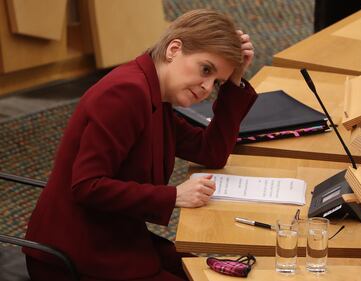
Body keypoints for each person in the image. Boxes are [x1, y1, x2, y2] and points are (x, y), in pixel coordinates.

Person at [23, 9, 257, 281]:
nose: (207, 87)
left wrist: (235, 81)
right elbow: (86, 186)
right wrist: (174, 196)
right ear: (174, 49)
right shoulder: (127, 93)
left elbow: (211, 152)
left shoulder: (158, 95)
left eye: (216, 82)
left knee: (208, 274)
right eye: (205, 69)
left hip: (117, 237)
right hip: (77, 255)